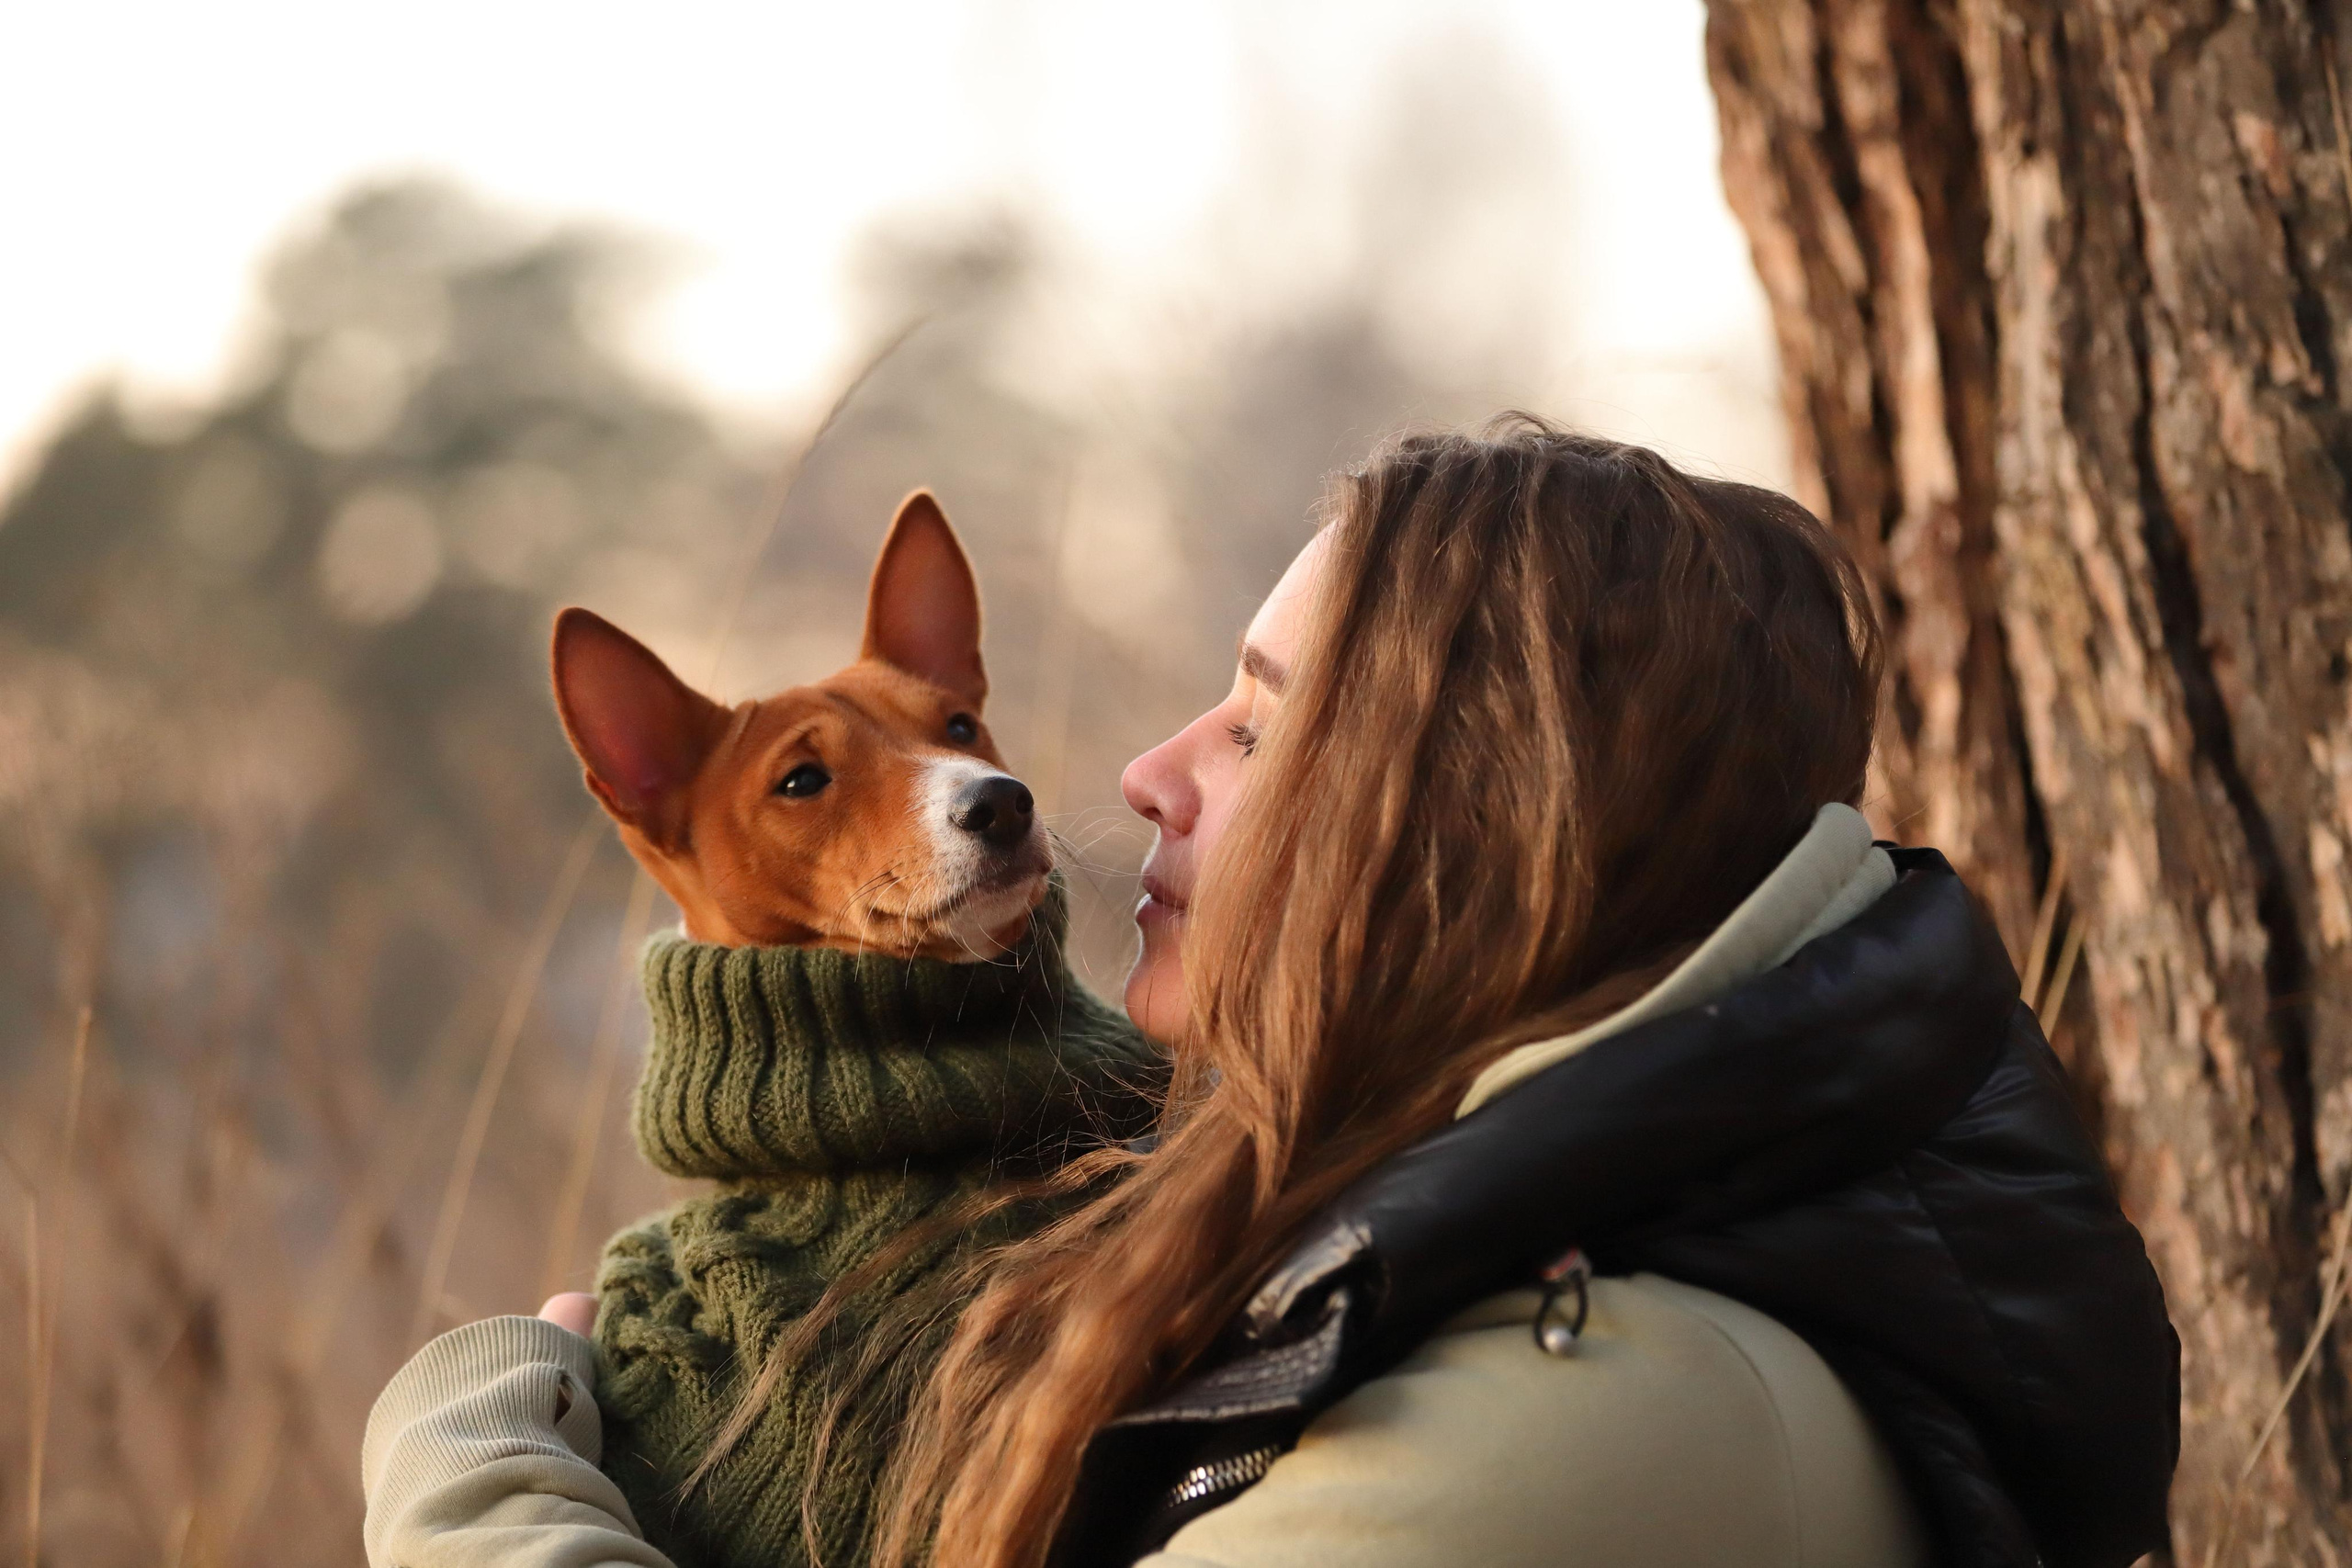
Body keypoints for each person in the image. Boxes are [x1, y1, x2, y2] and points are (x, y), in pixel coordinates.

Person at [363, 417, 2178, 1568]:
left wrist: (469, 1466)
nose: (1144, 767)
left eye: (1254, 717)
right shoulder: (1453, 1263)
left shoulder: (1585, 1405)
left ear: (1475, 820)